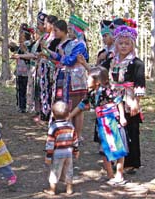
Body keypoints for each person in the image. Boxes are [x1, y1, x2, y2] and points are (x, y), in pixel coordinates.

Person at [69, 67, 128, 185]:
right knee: (104, 149)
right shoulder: (91, 94)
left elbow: (118, 101)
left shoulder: (108, 90)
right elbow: (81, 105)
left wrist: (122, 116)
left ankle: (119, 174)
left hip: (113, 122)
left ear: (97, 81)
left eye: (88, 78)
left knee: (119, 148)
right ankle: (110, 174)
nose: (86, 80)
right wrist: (70, 116)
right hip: (101, 124)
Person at [102, 20, 145, 174]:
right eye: (121, 43)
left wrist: (136, 103)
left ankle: (131, 162)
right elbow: (100, 73)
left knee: (131, 129)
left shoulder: (137, 63)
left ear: (132, 45)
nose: (124, 46)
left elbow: (140, 83)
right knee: (115, 129)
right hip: (113, 99)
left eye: (127, 43)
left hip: (129, 99)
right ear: (116, 44)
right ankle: (117, 159)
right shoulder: (110, 62)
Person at [45, 14, 89, 143]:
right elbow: (62, 58)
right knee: (69, 105)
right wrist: (50, 52)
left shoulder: (80, 45)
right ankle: (70, 133)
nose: (69, 31)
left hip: (76, 79)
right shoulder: (72, 43)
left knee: (78, 107)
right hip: (68, 77)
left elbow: (69, 60)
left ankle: (78, 134)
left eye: (71, 29)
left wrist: (62, 56)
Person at [44, 101, 79, 195]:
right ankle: (69, 188)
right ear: (68, 114)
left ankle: (52, 190)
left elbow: (50, 143)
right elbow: (75, 139)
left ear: (53, 115)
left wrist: (48, 156)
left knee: (55, 170)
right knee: (69, 170)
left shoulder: (54, 127)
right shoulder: (70, 126)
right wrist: (76, 150)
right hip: (68, 153)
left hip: (57, 153)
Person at [10, 23, 34, 113]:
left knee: (25, 89)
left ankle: (25, 106)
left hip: (26, 71)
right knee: (20, 89)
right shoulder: (20, 45)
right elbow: (16, 50)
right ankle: (21, 106)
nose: (20, 37)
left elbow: (28, 54)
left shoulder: (28, 44)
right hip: (20, 71)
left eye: (22, 35)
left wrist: (21, 53)